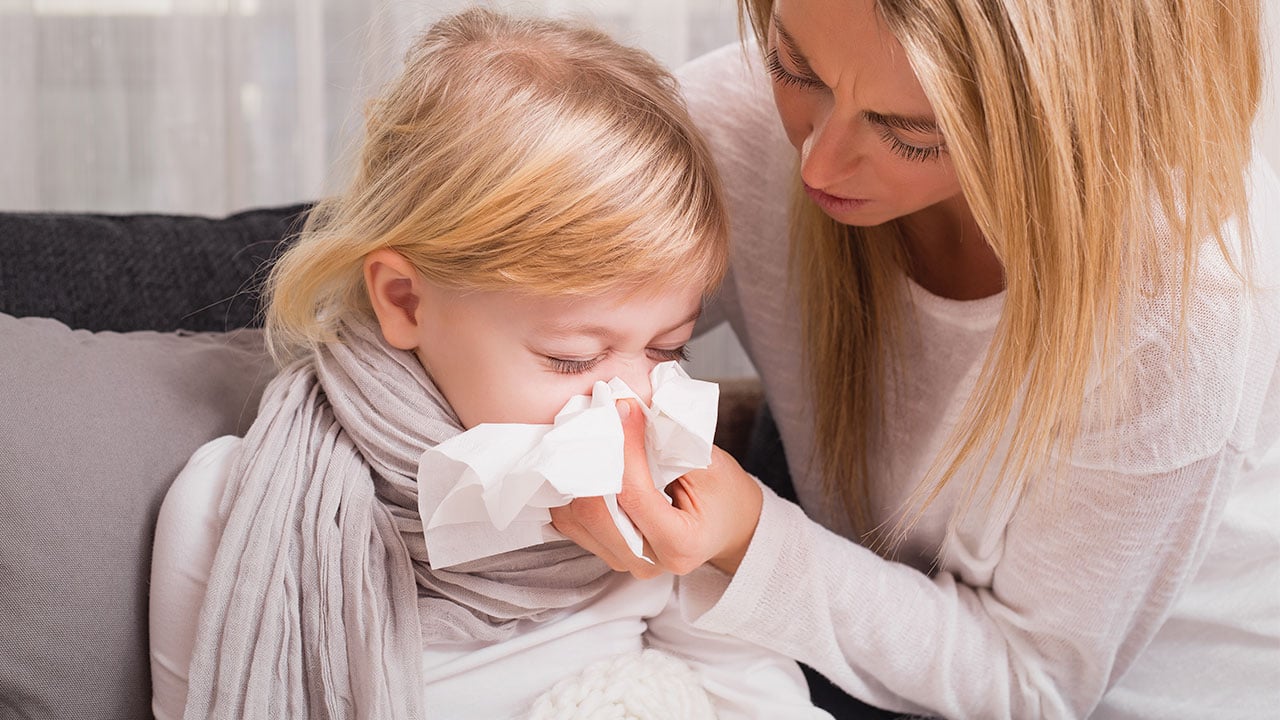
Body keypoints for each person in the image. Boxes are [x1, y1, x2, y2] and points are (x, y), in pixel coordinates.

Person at [549, 0, 1280, 718]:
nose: (817, 158)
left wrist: (751, 538)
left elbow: (1030, 685)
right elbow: (500, 319)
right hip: (836, 543)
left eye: (912, 131)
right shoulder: (735, 121)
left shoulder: (1186, 307)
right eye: (796, 68)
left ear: (1067, 112)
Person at [147, 8, 834, 720]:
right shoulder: (235, 509)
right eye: (572, 359)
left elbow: (761, 698)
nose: (629, 404)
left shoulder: (666, 508)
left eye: (667, 350)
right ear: (406, 301)